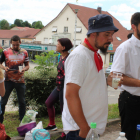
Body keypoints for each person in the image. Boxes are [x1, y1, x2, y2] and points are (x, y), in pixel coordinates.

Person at [62, 14, 118, 140]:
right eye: (107, 34)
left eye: (112, 34)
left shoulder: (93, 54)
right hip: (80, 131)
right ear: (93, 34)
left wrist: (106, 81)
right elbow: (70, 95)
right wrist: (84, 128)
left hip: (89, 129)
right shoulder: (79, 56)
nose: (111, 39)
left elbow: (88, 83)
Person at [107, 12, 140, 140]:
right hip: (130, 101)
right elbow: (116, 77)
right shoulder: (125, 48)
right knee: (130, 136)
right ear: (134, 26)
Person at [44, 38, 73, 140]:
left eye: (58, 44)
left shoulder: (69, 59)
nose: (56, 45)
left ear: (63, 47)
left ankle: (65, 133)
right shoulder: (61, 56)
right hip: (59, 87)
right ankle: (52, 124)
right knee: (48, 103)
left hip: (65, 88)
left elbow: (69, 76)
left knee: (64, 112)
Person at [0, 35, 29, 123]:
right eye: (14, 45)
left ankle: (22, 121)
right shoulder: (5, 52)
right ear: (11, 43)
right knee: (3, 102)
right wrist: (4, 68)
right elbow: (0, 63)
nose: (15, 47)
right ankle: (0, 122)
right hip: (8, 80)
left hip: (20, 81)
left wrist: (24, 69)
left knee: (22, 102)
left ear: (20, 42)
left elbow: (27, 65)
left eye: (17, 45)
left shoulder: (24, 52)